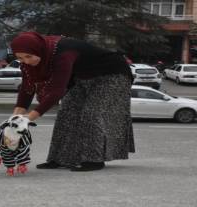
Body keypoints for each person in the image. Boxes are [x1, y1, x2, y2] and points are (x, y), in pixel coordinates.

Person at [10, 31, 135, 171]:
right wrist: (14, 119)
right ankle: (59, 159)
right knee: (66, 112)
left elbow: (56, 91)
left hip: (112, 74)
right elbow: (27, 90)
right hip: (82, 76)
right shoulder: (29, 63)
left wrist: (28, 119)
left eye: (29, 56)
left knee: (91, 113)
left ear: (38, 50)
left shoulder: (64, 53)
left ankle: (93, 160)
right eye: (20, 58)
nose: (26, 61)